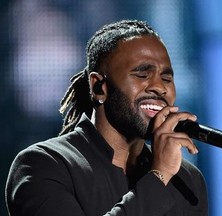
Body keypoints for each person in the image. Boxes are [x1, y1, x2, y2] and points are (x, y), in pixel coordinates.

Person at [5, 19, 209, 216]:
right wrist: (159, 176)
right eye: (142, 75)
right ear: (99, 87)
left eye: (167, 78)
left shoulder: (186, 179)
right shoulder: (44, 165)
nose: (160, 87)